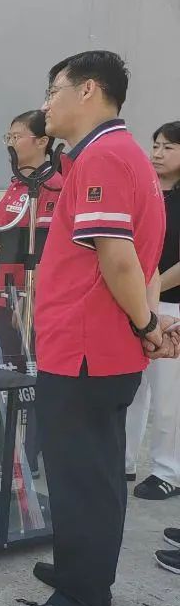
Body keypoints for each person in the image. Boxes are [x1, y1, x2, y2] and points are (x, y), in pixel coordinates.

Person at [10, 50, 175, 606]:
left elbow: (119, 257)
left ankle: (81, 602)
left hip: (85, 348)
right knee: (93, 470)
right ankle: (83, 568)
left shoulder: (104, 156)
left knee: (83, 475)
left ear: (88, 91)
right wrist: (147, 324)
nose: (46, 104)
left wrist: (146, 326)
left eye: (54, 90)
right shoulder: (123, 156)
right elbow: (144, 259)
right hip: (96, 345)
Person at [0, 110, 65, 475]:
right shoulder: (17, 185)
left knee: (29, 378)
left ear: (42, 141)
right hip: (2, 296)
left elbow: (48, 251)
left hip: (28, 301)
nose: (11, 143)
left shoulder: (54, 186)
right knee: (4, 374)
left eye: (17, 136)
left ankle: (26, 455)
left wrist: (30, 298)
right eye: (9, 137)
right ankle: (3, 448)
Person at [125, 122, 180, 500]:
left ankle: (168, 470)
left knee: (168, 395)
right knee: (131, 388)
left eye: (169, 147)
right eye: (156, 145)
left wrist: (151, 283)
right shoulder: (143, 191)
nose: (158, 154)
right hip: (137, 303)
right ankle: (123, 460)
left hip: (172, 305)